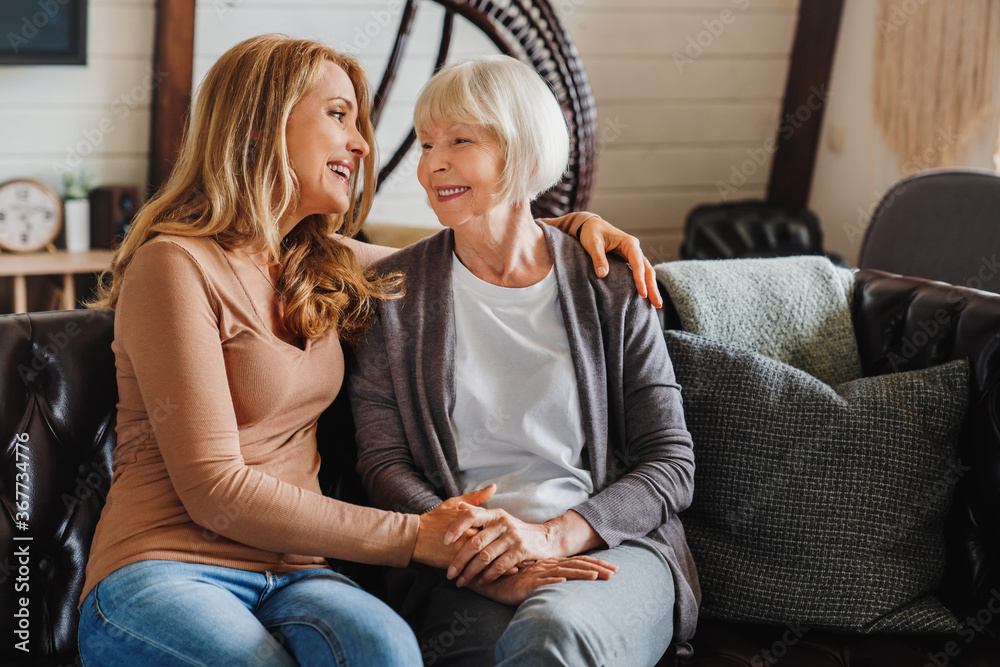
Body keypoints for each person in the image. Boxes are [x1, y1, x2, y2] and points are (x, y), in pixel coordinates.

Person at [76, 35, 658, 667]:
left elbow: (483, 253)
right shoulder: (174, 265)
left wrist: (572, 232)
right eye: (338, 115)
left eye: (360, 125)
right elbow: (216, 489)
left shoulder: (323, 261)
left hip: (296, 575)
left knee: (386, 649)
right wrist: (421, 536)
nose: (360, 144)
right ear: (261, 123)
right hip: (165, 567)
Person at [349, 54, 700, 666]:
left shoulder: (610, 283)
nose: (432, 164)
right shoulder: (393, 295)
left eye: (460, 140)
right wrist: (473, 546)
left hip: (608, 547)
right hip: (466, 565)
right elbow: (383, 463)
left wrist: (550, 535)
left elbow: (671, 463)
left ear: (520, 148)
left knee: (552, 637)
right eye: (427, 143)